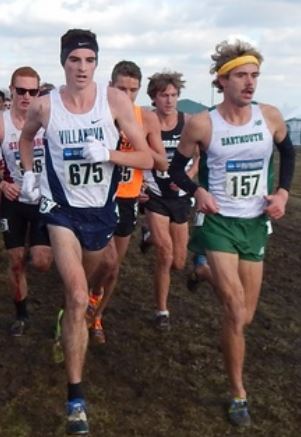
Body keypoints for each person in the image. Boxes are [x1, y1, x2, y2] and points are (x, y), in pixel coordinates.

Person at [19, 29, 153, 435]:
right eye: (75, 59)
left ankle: (70, 321)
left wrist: (110, 154)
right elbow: (27, 139)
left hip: (101, 214)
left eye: (89, 60)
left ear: (97, 64)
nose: (81, 67)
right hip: (60, 212)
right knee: (78, 295)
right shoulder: (45, 106)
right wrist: (29, 175)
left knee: (87, 285)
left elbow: (147, 155)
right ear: (63, 62)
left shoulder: (114, 101)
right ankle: (75, 398)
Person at [169, 39, 295, 426]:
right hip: (218, 222)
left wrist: (283, 193)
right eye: (241, 75)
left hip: (255, 223)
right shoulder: (203, 123)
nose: (250, 82)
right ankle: (238, 391)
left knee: (246, 316)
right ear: (222, 81)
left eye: (254, 75)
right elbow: (175, 170)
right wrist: (198, 190)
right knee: (236, 311)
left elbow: (288, 153)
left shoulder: (270, 117)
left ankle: (202, 272)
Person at [86, 60, 168, 344]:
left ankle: (96, 313)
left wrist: (139, 151)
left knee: (112, 267)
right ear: (110, 87)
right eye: (122, 88)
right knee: (97, 261)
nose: (127, 95)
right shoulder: (95, 113)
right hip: (95, 196)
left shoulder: (146, 119)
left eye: (133, 90)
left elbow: (161, 162)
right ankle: (78, 303)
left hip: (127, 197)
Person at [142, 71, 199, 330]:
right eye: (164, 95)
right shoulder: (146, 121)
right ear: (154, 97)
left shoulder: (187, 122)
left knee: (178, 262)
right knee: (164, 256)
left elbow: (198, 157)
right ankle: (162, 311)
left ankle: (148, 235)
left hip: (180, 197)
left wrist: (186, 177)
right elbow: (137, 152)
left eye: (174, 95)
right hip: (155, 194)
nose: (169, 100)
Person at [0, 66, 52, 336]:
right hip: (14, 198)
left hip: (45, 200)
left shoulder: (48, 119)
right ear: (12, 90)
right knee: (16, 259)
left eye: (32, 91)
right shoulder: (2, 122)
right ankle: (21, 314)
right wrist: (2, 184)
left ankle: (37, 249)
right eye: (21, 90)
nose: (26, 96)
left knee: (42, 261)